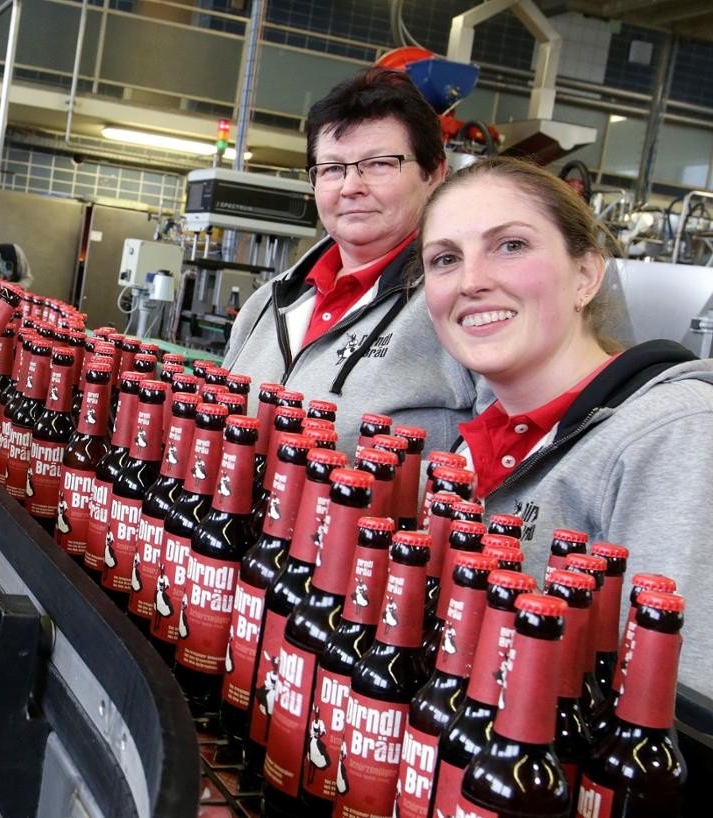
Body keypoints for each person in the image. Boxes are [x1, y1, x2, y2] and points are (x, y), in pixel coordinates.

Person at [417, 156, 713, 696]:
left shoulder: (673, 435)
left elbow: (678, 714)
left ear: (585, 275)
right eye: (445, 259)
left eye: (511, 245)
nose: (471, 281)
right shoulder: (467, 447)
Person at [222, 67, 482, 452]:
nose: (351, 187)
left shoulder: (467, 299)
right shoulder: (267, 303)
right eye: (331, 169)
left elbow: (510, 455)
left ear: (434, 173)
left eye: (379, 164)